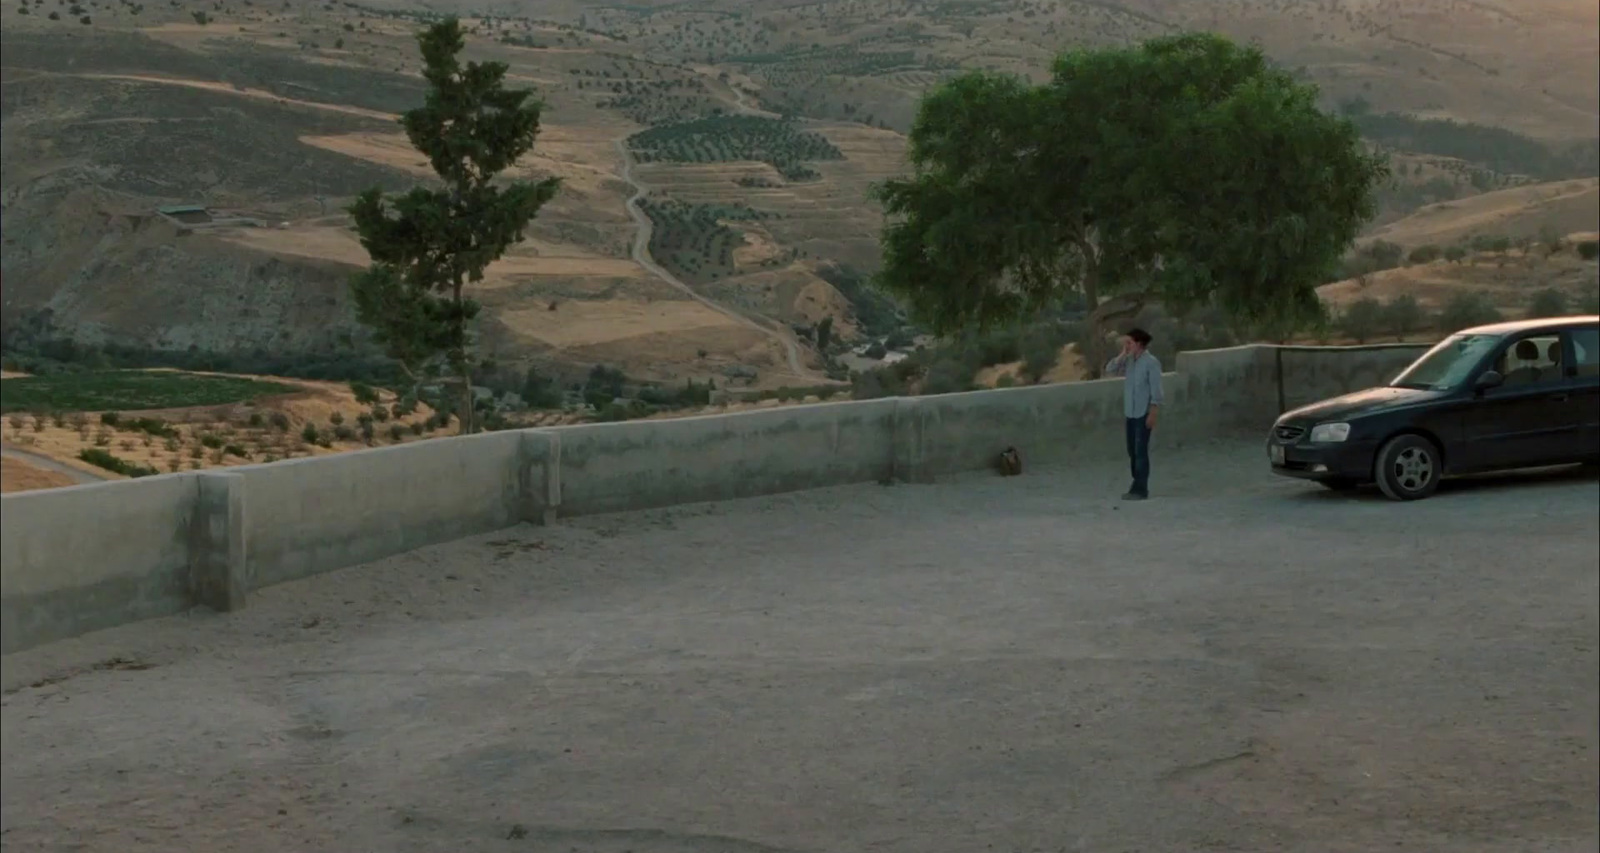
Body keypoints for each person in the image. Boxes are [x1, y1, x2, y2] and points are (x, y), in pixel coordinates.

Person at [1103, 328, 1163, 501]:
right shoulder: (1129, 361)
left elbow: (1156, 389)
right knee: (1132, 450)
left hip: (1143, 413)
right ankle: (1136, 483)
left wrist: (1153, 412)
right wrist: (1123, 354)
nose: (1126, 345)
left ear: (1139, 344)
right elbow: (1110, 368)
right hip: (1130, 412)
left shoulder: (1151, 363)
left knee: (1140, 450)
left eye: (1129, 343)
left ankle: (1140, 488)